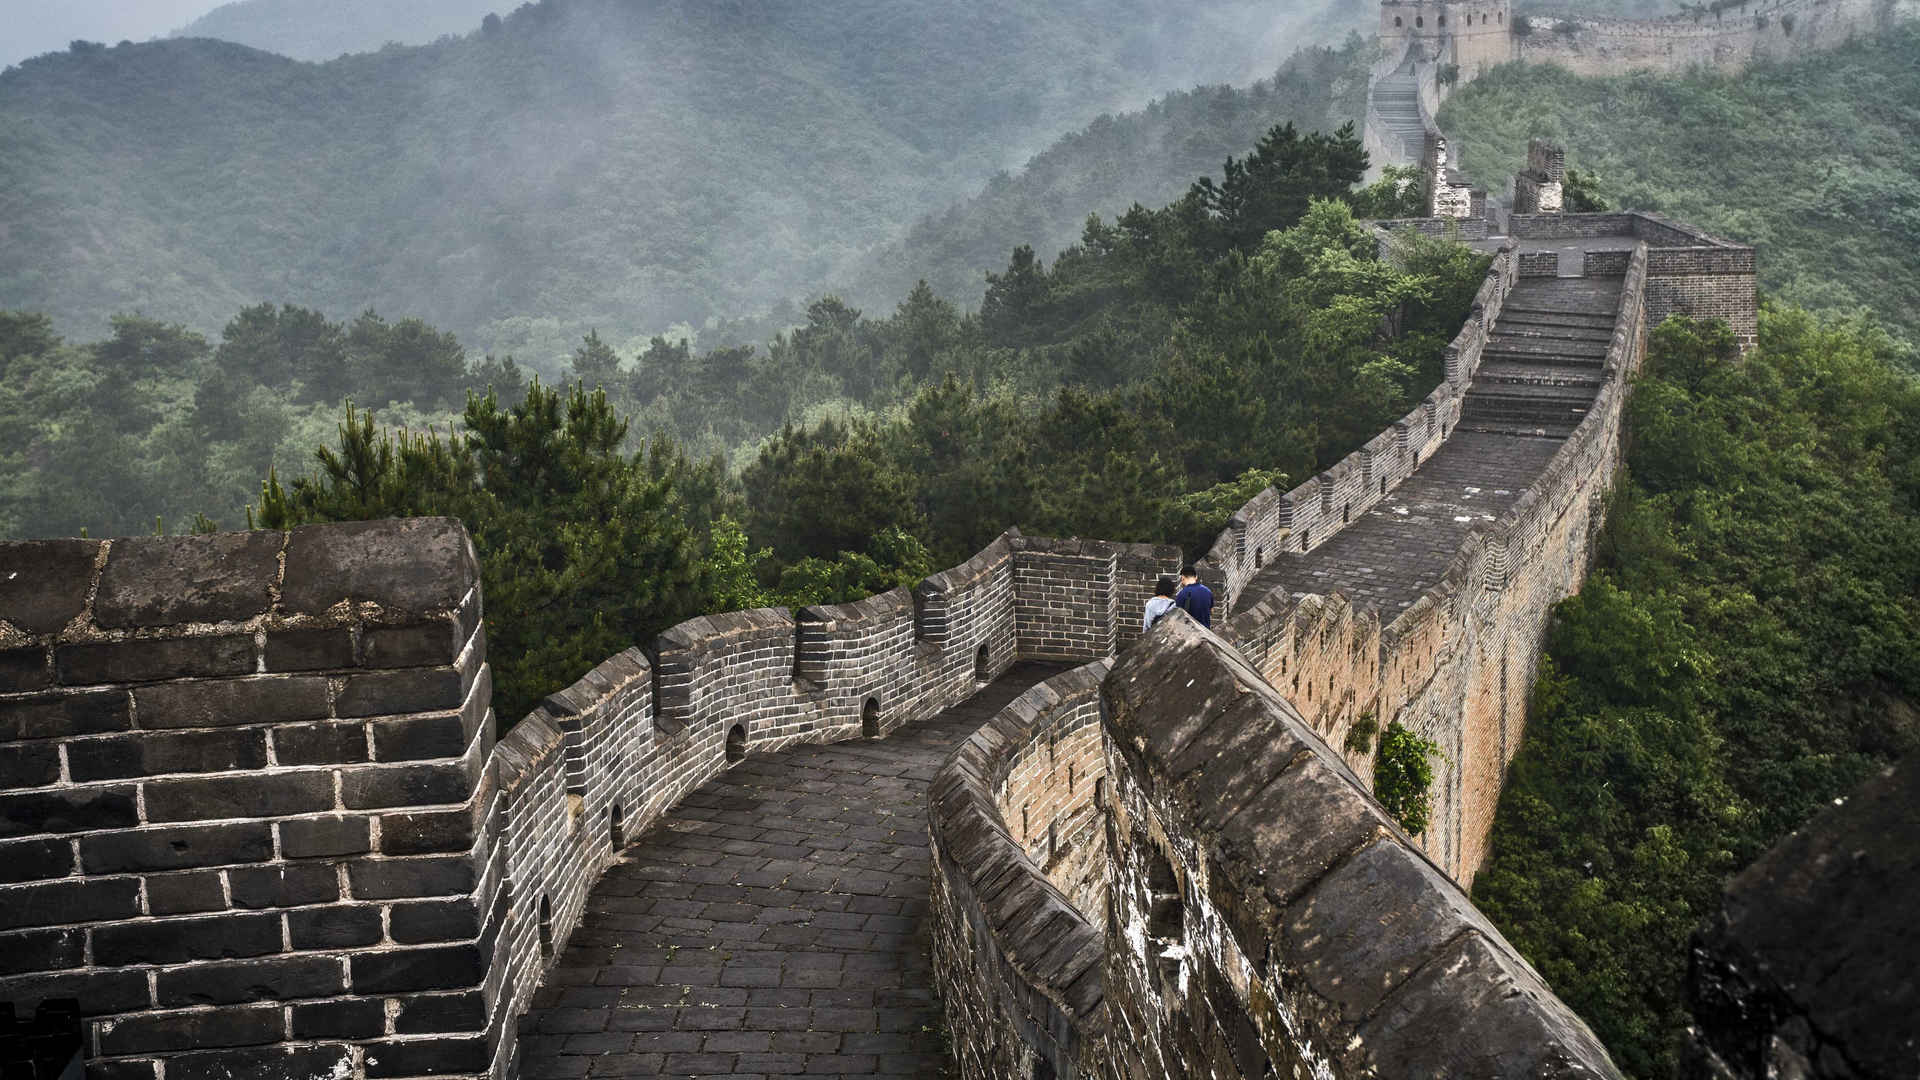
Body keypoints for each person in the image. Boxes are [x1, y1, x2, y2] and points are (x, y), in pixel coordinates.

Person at [1174, 564, 1214, 629]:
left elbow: (1178, 617)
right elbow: (1211, 611)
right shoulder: (1208, 591)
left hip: (1190, 633)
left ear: (1182, 578)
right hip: (1206, 631)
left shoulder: (1181, 594)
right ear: (1196, 577)